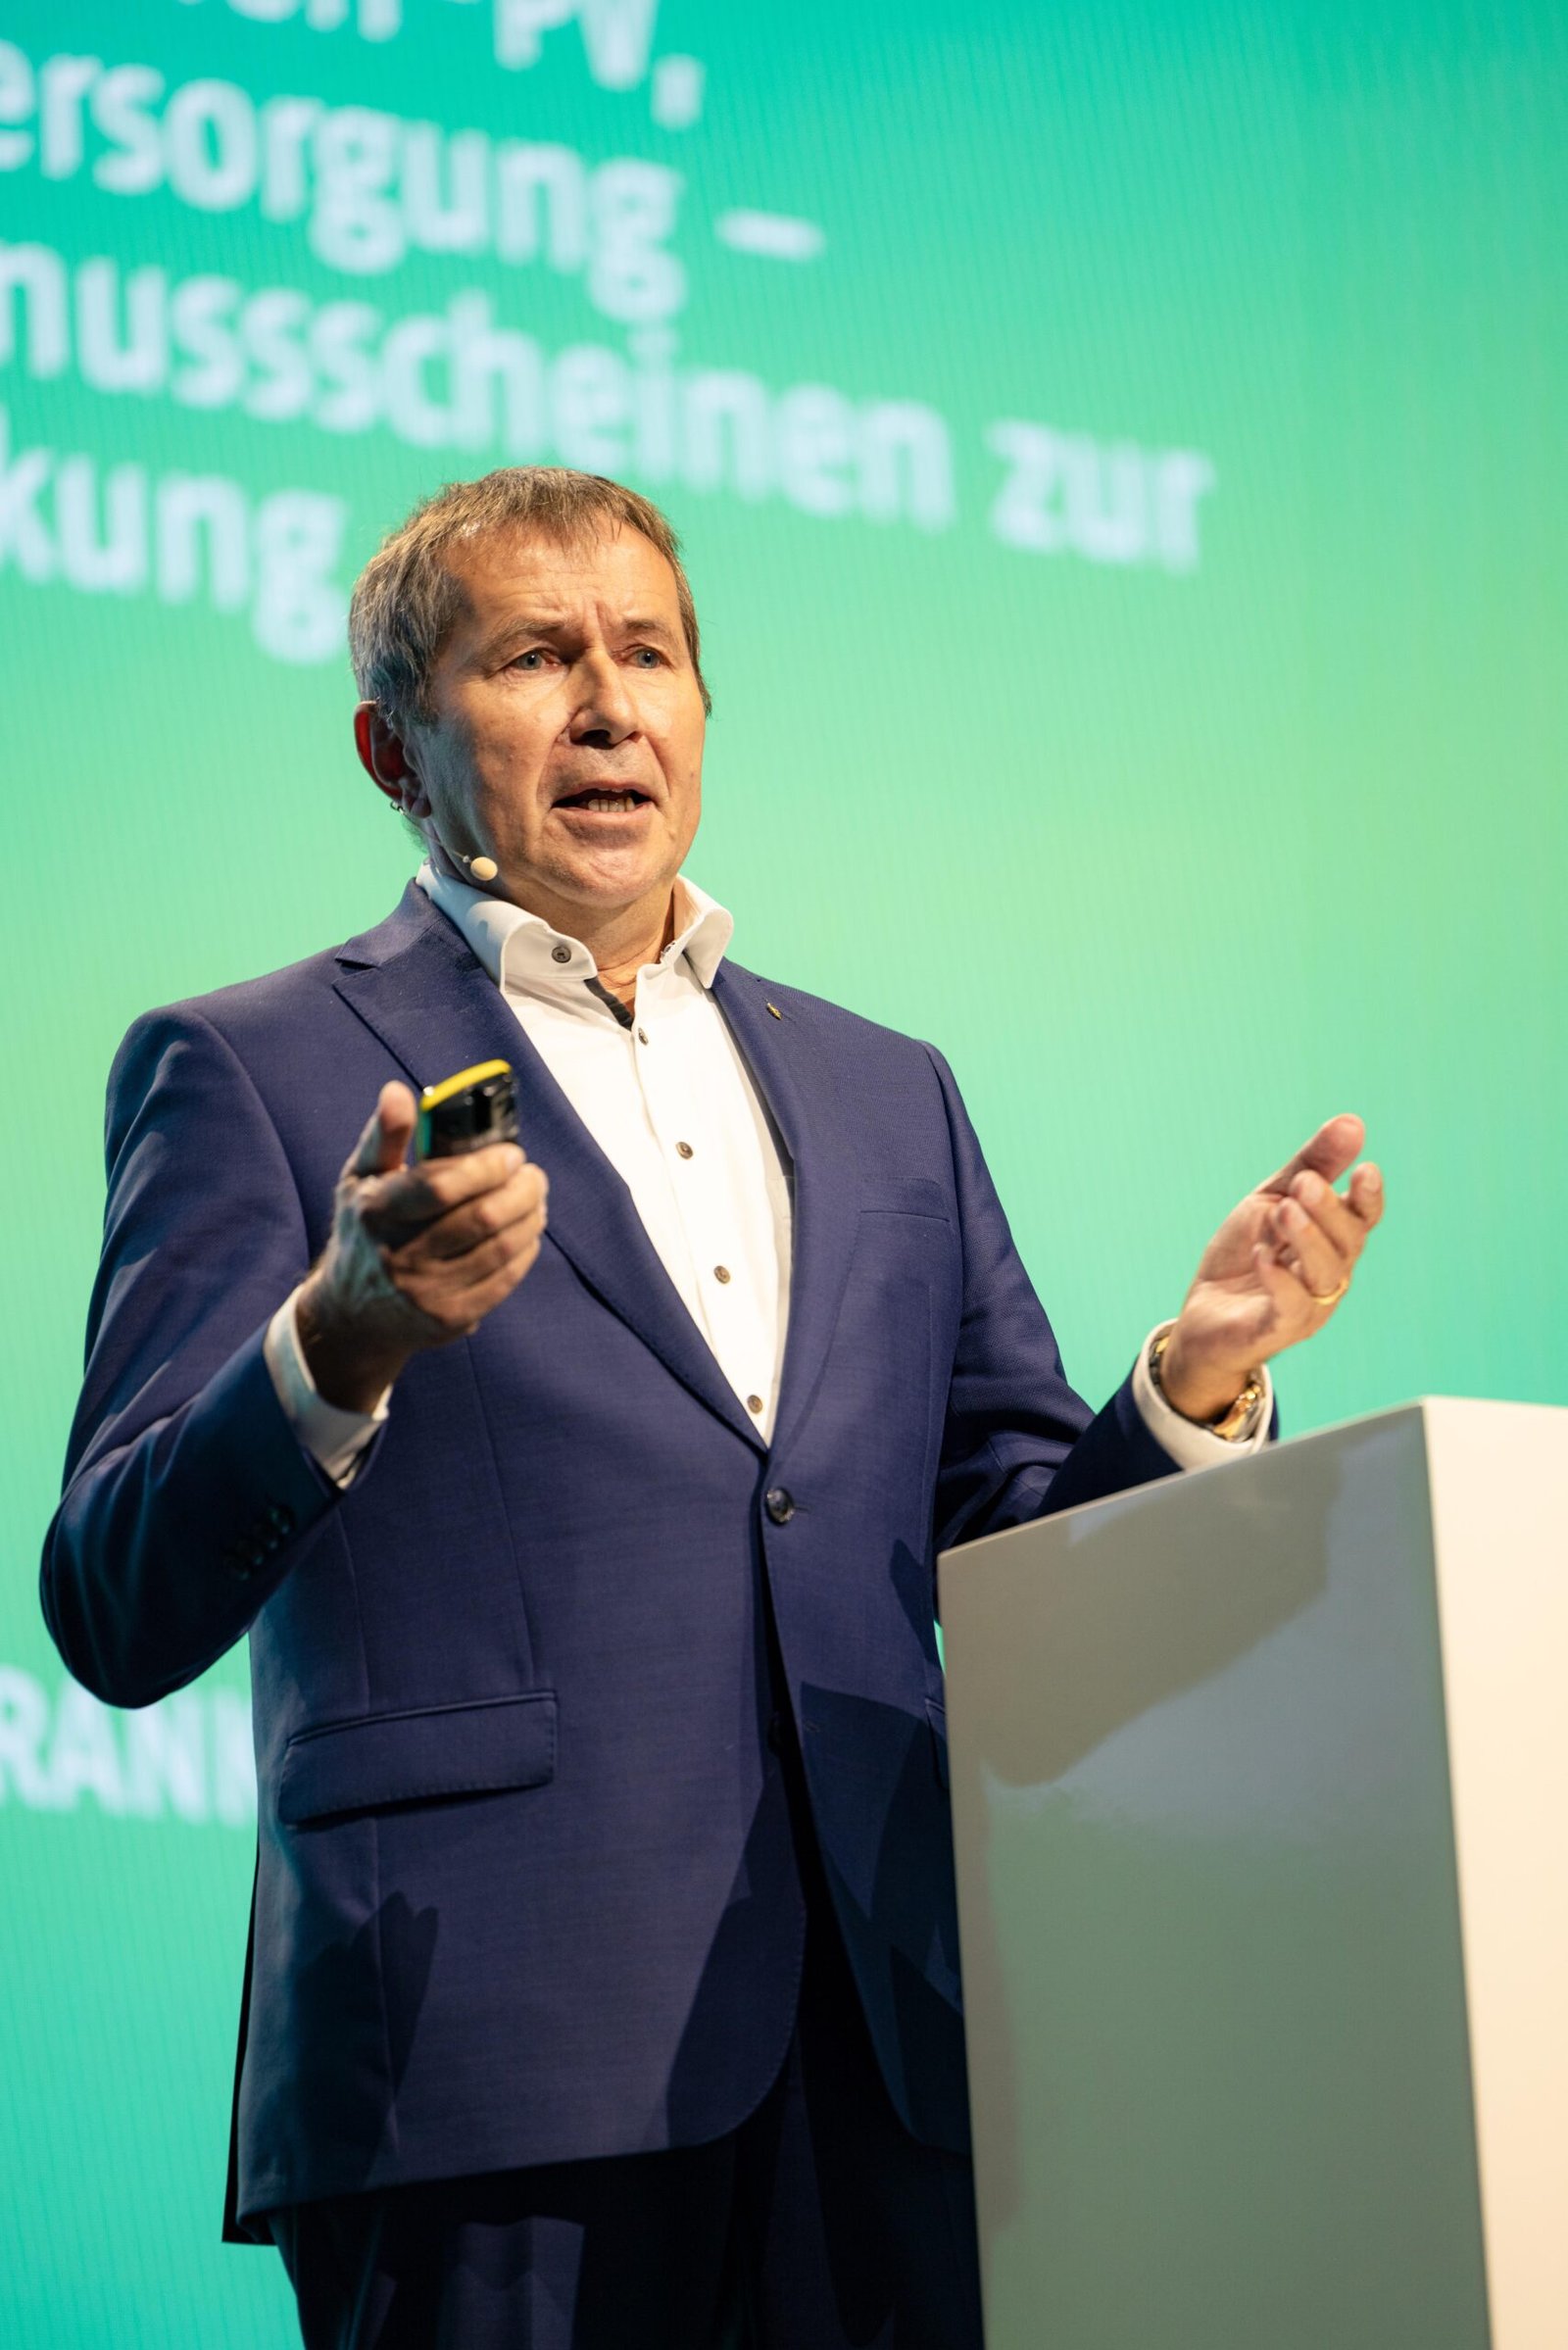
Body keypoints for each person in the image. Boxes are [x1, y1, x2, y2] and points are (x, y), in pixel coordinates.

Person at [42, 468, 1383, 2349]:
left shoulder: (885, 1089)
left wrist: (1196, 1378)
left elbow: (1009, 1552)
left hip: (883, 2054)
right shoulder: (252, 1066)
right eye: (535, 656)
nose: (611, 704)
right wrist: (337, 1337)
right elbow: (111, 1598)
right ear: (393, 749)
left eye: (650, 653)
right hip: (488, 2067)